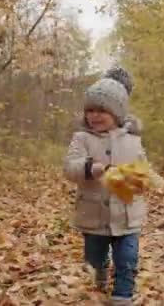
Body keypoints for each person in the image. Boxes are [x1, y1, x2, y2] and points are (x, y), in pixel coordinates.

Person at [63, 76, 148, 306]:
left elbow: (143, 168)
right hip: (94, 214)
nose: (94, 116)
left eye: (102, 110)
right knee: (95, 256)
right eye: (90, 110)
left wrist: (141, 180)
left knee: (127, 258)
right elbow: (70, 167)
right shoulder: (81, 138)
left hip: (127, 213)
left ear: (117, 113)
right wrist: (91, 168)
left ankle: (123, 296)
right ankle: (100, 269)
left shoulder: (133, 140)